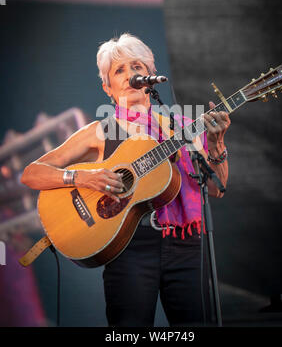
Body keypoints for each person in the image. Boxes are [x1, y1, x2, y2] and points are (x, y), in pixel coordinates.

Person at [21, 33, 231, 327]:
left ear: (150, 76)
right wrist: (84, 176)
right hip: (130, 246)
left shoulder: (181, 125)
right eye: (120, 70)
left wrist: (216, 143)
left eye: (138, 66)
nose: (131, 74)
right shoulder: (101, 130)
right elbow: (32, 173)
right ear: (107, 87)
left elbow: (216, 188)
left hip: (187, 245)